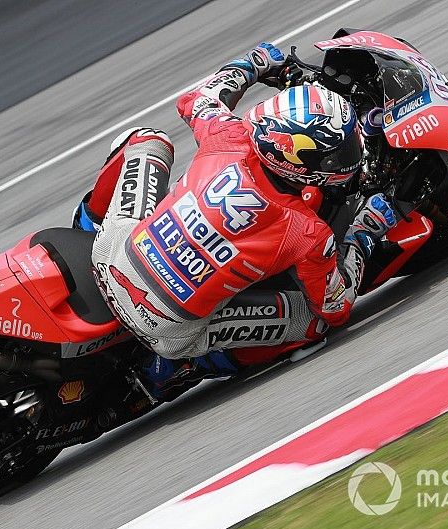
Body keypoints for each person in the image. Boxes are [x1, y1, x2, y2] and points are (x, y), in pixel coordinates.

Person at [73, 43, 397, 399]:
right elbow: (335, 307)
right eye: (340, 152)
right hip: (165, 329)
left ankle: (89, 222)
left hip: (108, 259)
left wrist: (254, 65)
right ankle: (187, 366)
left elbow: (195, 98)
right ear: (299, 161)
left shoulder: (228, 135)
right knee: (313, 323)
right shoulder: (307, 233)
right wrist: (366, 230)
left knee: (147, 140)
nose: (349, 156)